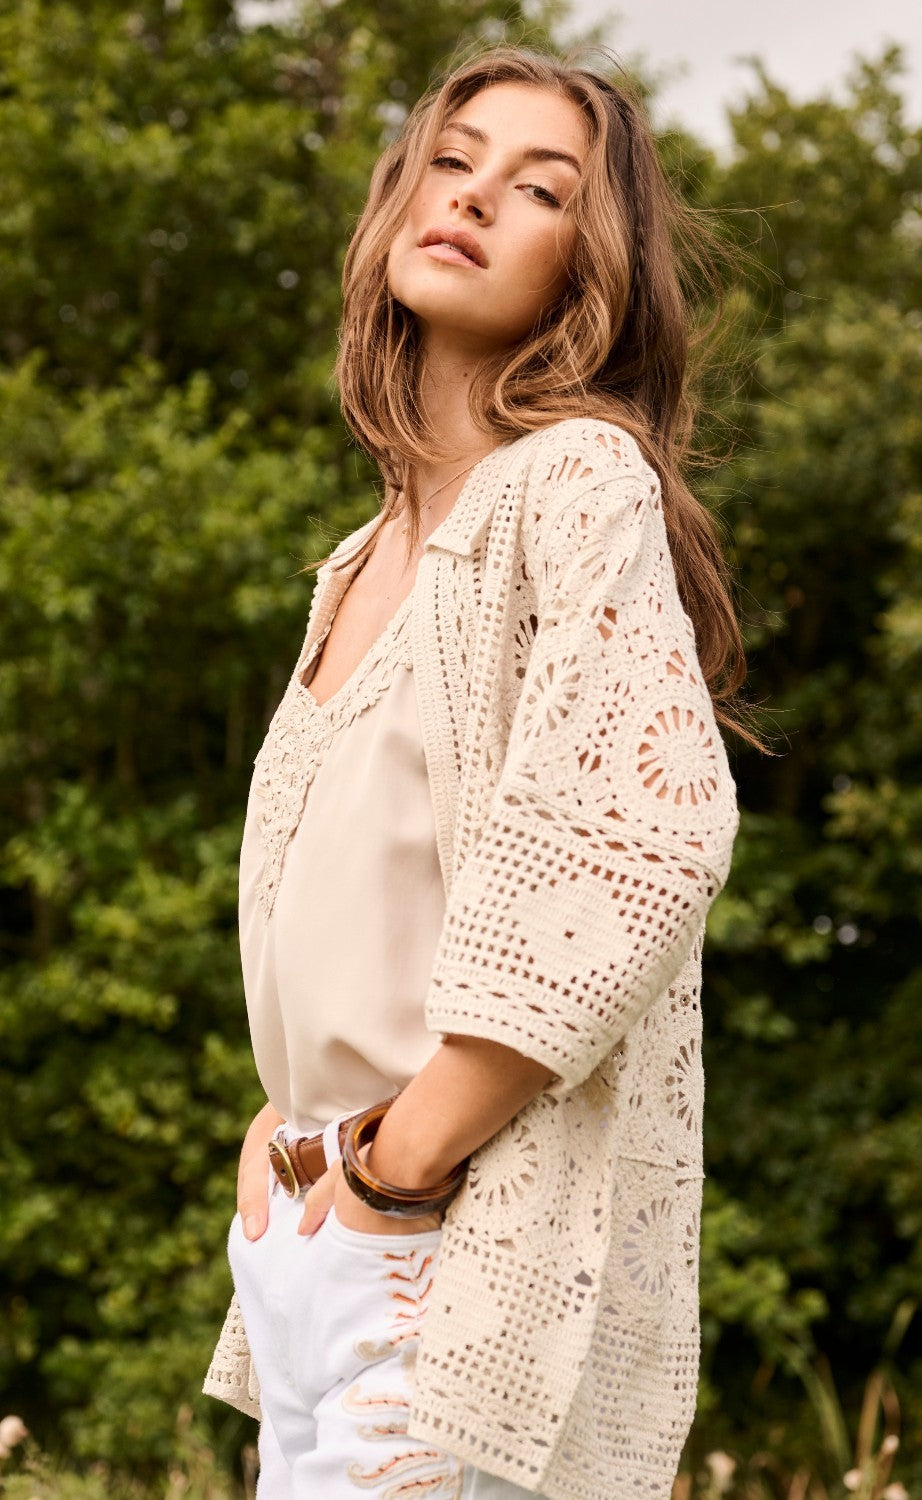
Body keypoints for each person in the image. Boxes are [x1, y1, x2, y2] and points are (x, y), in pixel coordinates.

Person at [204, 44, 755, 1500]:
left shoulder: (572, 482)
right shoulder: (359, 556)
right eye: (450, 163)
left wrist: (399, 1165)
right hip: (316, 1238)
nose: (474, 198)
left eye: (537, 188)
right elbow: (348, 898)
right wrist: (296, 1125)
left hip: (443, 1243)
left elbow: (641, 844)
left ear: (591, 267)